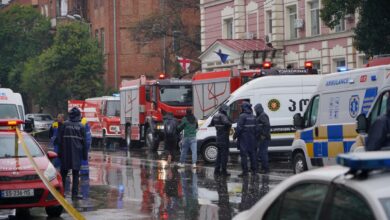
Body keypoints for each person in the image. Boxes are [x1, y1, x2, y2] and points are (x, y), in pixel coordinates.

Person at [58, 107, 88, 200]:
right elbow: (84, 143)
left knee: (63, 174)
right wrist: (84, 155)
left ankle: (61, 193)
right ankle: (74, 195)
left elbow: (59, 140)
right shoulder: (81, 126)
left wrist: (59, 152)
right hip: (76, 154)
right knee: (75, 174)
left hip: (65, 154)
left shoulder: (64, 125)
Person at [234, 101, 257, 176]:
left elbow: (239, 128)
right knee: (252, 155)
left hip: (244, 139)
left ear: (244, 108)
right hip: (252, 139)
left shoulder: (242, 116)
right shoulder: (253, 116)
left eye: (241, 107)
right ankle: (254, 171)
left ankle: (245, 172)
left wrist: (235, 136)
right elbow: (257, 129)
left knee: (244, 156)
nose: (241, 108)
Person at [210, 104, 232, 176]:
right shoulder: (223, 116)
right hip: (224, 138)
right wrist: (229, 124)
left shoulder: (215, 116)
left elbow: (212, 123)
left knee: (219, 155)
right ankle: (224, 171)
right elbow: (227, 123)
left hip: (218, 137)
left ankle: (216, 170)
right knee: (224, 156)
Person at [254, 104, 271, 174]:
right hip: (261, 137)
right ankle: (263, 168)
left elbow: (267, 125)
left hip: (264, 138)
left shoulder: (262, 115)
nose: (255, 111)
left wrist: (263, 134)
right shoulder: (260, 115)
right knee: (261, 153)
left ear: (259, 109)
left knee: (263, 153)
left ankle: (265, 169)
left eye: (256, 110)